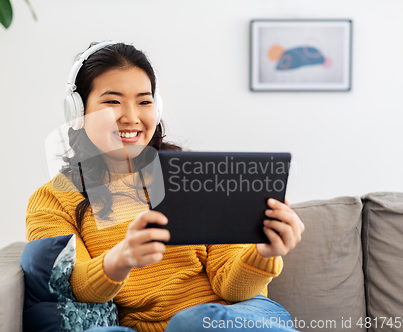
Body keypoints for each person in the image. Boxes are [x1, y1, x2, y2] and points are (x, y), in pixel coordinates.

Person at [26, 41, 305, 332]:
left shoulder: (197, 173)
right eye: (112, 101)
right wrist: (121, 259)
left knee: (190, 323)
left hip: (235, 316)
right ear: (78, 112)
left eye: (144, 101)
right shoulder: (53, 200)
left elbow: (232, 289)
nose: (131, 117)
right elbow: (75, 287)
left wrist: (264, 252)